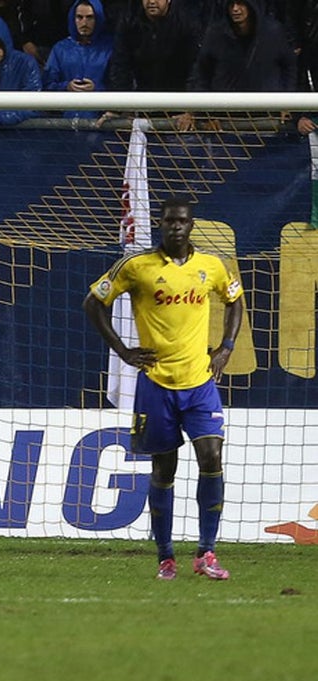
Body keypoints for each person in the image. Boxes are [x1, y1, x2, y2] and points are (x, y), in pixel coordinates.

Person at [83, 196, 244, 581]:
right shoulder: (136, 266)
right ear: (161, 223)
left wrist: (226, 347)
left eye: (182, 221)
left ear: (192, 225)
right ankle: (166, 557)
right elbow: (93, 303)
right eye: (170, 220)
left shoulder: (212, 266)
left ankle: (206, 553)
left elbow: (235, 300)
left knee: (212, 457)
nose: (176, 226)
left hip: (200, 383)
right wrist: (123, 350)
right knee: (163, 468)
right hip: (156, 384)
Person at [188, 0, 296, 91]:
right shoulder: (215, 34)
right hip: (225, 106)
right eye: (231, 4)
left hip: (267, 105)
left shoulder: (273, 32)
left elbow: (289, 67)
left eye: (240, 3)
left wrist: (286, 101)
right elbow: (201, 71)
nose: (235, 9)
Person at [42, 0, 113, 119]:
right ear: (73, 19)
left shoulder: (110, 48)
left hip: (102, 120)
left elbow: (120, 85)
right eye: (79, 17)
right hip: (65, 122)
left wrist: (97, 88)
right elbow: (47, 85)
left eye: (90, 17)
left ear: (98, 19)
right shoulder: (60, 49)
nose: (84, 23)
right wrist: (67, 87)